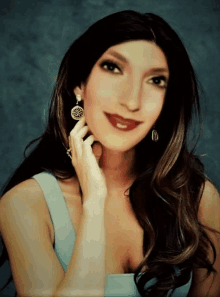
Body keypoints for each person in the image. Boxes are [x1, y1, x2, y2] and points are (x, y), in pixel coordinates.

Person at [0, 10, 219, 297]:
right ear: (79, 84)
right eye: (113, 68)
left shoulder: (199, 199)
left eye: (156, 81)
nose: (131, 100)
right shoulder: (25, 204)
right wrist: (94, 200)